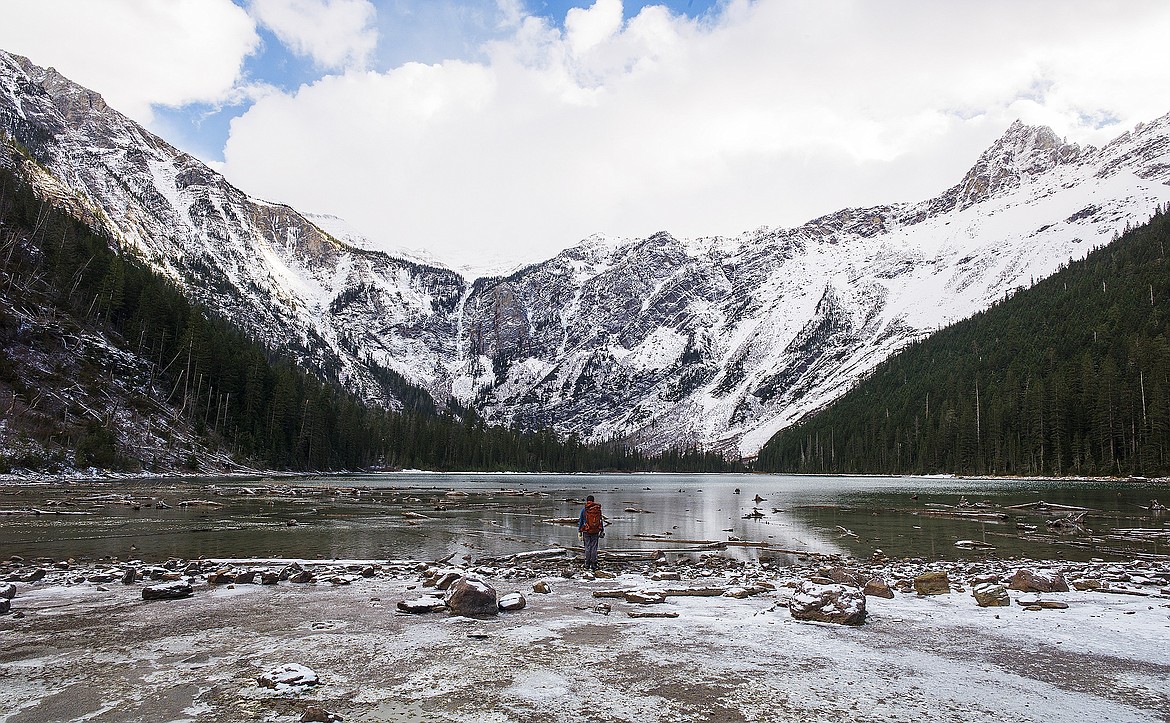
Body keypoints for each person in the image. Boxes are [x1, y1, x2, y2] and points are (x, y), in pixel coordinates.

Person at [577, 495, 604, 571]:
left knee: (587, 547)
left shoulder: (584, 510)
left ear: (587, 501)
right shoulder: (597, 509)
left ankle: (587, 564)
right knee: (594, 547)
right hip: (595, 531)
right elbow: (600, 521)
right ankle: (594, 564)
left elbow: (581, 521)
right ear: (593, 500)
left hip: (586, 531)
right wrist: (602, 530)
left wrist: (579, 531)